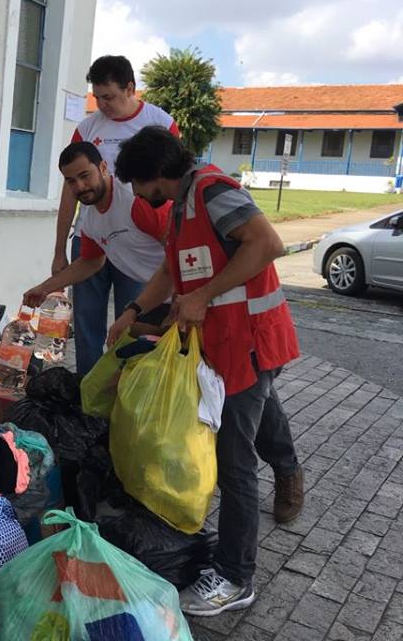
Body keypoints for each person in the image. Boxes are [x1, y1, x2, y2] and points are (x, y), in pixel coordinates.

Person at [107, 126, 304, 617]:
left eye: (136, 183)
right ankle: (289, 469)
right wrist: (133, 310)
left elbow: (267, 244)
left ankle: (237, 577)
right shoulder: (182, 205)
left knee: (234, 458)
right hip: (227, 345)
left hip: (250, 341)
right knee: (260, 410)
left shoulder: (213, 191)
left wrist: (203, 295)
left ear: (155, 174)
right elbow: (172, 271)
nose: (136, 194)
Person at [53, 55, 179, 374]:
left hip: (141, 238)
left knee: (132, 322)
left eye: (109, 97)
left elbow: (175, 185)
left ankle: (125, 393)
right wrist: (59, 251)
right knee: (86, 323)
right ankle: (88, 394)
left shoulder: (160, 123)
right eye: (97, 98)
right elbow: (71, 189)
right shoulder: (87, 127)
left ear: (130, 88)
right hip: (92, 236)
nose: (103, 105)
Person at [23, 142, 169, 327]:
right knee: (127, 347)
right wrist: (44, 288)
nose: (80, 186)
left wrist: (188, 296)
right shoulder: (91, 222)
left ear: (103, 167)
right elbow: (91, 262)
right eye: (71, 181)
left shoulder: (135, 200)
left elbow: (180, 246)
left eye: (85, 176)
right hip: (159, 296)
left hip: (185, 292)